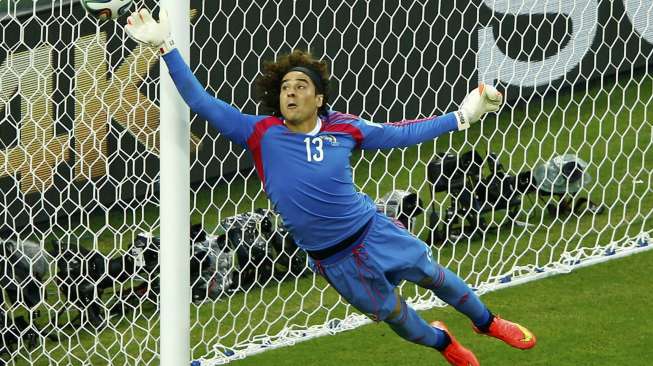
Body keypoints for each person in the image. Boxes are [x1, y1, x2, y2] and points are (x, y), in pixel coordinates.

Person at [125, 9, 536, 365]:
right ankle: (443, 342)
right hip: (333, 260)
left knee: (434, 275)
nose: (291, 92)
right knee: (399, 319)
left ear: (319, 98)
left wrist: (461, 118)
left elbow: (400, 133)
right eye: (286, 87)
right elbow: (202, 102)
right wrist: (167, 48)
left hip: (374, 232)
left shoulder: (344, 128)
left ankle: (488, 322)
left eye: (300, 86)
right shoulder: (261, 133)